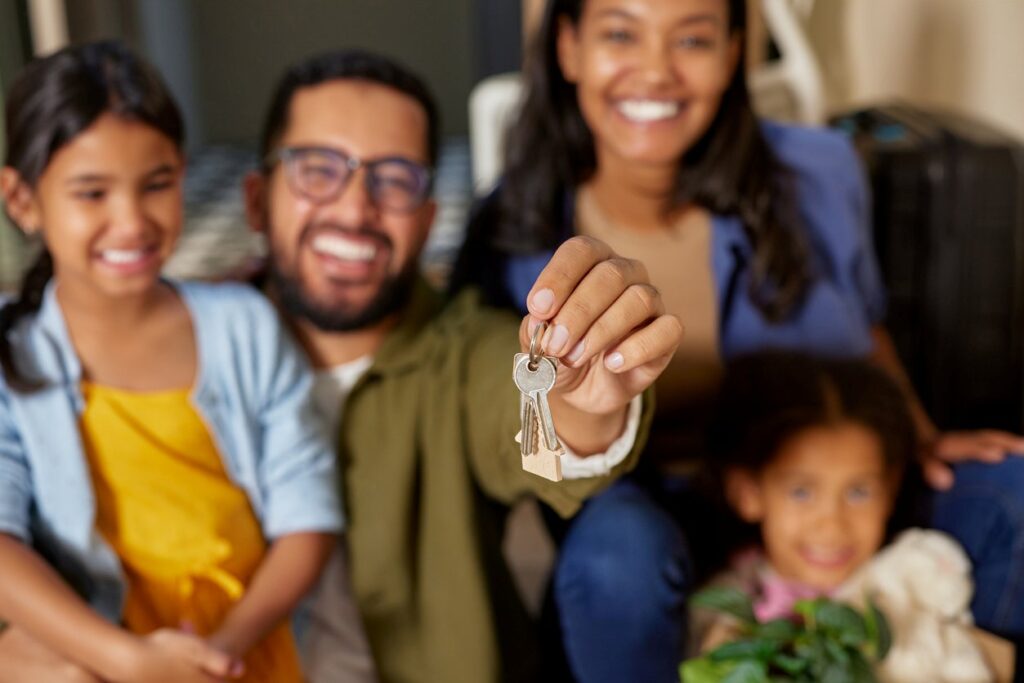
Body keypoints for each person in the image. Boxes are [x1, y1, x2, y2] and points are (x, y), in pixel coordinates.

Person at [451, 0, 1024, 679]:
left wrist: (918, 432)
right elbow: (512, 432)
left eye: (692, 39)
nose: (656, 71)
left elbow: (864, 326)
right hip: (644, 511)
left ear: (731, 54)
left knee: (1012, 488)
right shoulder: (509, 230)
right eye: (621, 34)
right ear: (568, 48)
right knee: (617, 554)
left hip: (813, 483)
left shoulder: (821, 172)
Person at [238, 49, 681, 683]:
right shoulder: (193, 342)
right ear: (257, 201)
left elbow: (526, 421)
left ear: (427, 221)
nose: (355, 209)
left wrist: (584, 399)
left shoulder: (467, 347)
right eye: (317, 170)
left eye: (394, 179)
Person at [0, 43, 343, 682]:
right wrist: (128, 660)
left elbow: (309, 515)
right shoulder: (10, 354)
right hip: (99, 656)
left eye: (157, 184)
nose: (131, 221)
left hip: (246, 652)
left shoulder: (243, 325)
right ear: (22, 201)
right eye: (92, 192)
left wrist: (217, 654)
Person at [693, 351, 1006, 683]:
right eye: (801, 492)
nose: (832, 524)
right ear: (747, 493)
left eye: (858, 492)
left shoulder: (906, 582)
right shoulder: (729, 610)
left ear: (891, 487)